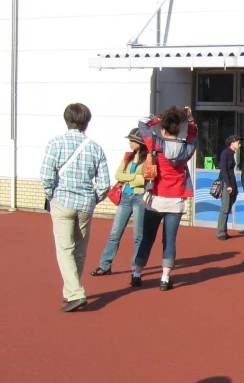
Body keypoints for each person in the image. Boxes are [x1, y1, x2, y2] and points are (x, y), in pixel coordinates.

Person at [40, 103, 110, 312]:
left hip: (62, 201)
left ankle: (75, 292)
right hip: (85, 204)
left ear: (66, 119)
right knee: (79, 250)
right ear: (87, 122)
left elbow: (46, 176)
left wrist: (51, 195)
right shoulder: (95, 147)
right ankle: (70, 290)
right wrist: (93, 199)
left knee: (65, 249)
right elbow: (105, 184)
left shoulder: (55, 143)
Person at [132, 106, 197, 291]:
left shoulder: (156, 144)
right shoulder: (187, 148)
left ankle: (137, 274)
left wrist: (158, 118)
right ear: (179, 129)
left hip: (156, 198)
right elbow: (194, 135)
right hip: (176, 200)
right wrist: (190, 119)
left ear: (163, 128)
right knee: (169, 240)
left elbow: (141, 124)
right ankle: (165, 278)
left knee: (147, 238)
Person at [91, 128, 148, 276]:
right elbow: (118, 174)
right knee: (115, 233)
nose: (129, 143)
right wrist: (133, 178)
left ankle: (135, 268)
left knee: (138, 236)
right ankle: (105, 265)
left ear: (140, 143)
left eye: (132, 140)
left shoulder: (148, 158)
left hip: (140, 198)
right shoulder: (127, 156)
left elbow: (146, 179)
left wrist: (128, 179)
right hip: (125, 198)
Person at [217, 135, 242, 240]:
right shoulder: (225, 153)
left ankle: (223, 230)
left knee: (228, 206)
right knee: (225, 208)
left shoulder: (231, 154)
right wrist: (228, 185)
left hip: (232, 182)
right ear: (232, 142)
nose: (240, 145)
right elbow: (224, 170)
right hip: (227, 183)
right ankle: (221, 232)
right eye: (238, 142)